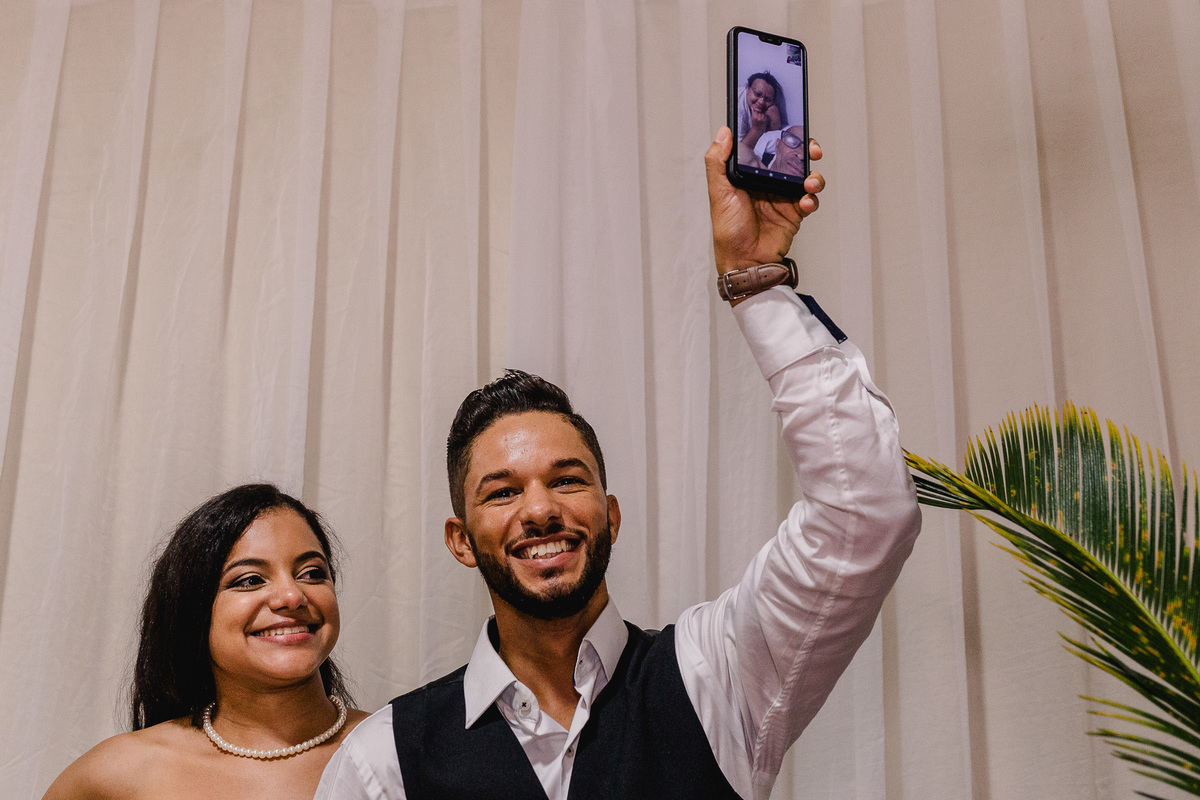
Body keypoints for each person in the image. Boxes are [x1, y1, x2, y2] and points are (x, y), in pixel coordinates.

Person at [316, 128, 921, 799]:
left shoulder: (717, 675)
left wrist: (757, 282)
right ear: (460, 539)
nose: (541, 509)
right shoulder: (383, 763)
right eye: (502, 492)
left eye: (567, 480)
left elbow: (868, 510)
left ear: (611, 516)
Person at [43, 483, 370, 799]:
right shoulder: (116, 775)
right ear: (193, 614)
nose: (292, 596)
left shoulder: (399, 746)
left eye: (312, 573)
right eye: (250, 580)